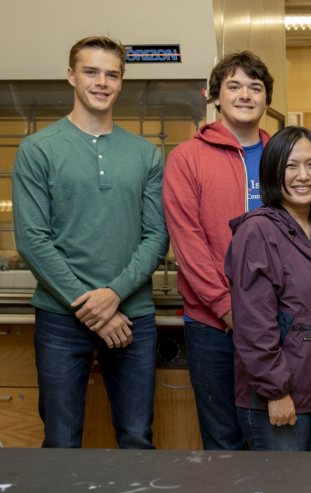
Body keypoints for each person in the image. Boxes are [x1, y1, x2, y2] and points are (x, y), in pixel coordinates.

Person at [12, 36, 168, 448]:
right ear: (71, 76)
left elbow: (156, 236)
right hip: (61, 318)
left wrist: (114, 295)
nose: (102, 82)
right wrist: (92, 306)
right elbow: (32, 239)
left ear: (121, 82)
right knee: (61, 439)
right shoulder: (37, 150)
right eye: (91, 71)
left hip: (133, 314)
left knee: (137, 436)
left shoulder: (145, 154)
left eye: (112, 74)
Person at [163, 51, 274, 450]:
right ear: (214, 95)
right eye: (234, 86)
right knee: (223, 440)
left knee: (274, 435)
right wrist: (227, 308)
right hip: (211, 324)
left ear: (266, 100)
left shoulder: (283, 156)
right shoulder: (186, 158)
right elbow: (188, 241)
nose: (245, 95)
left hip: (276, 323)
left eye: (255, 87)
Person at [226, 126, 311, 452]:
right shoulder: (257, 231)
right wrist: (275, 391)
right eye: (291, 166)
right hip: (280, 398)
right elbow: (254, 323)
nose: (303, 176)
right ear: (272, 172)